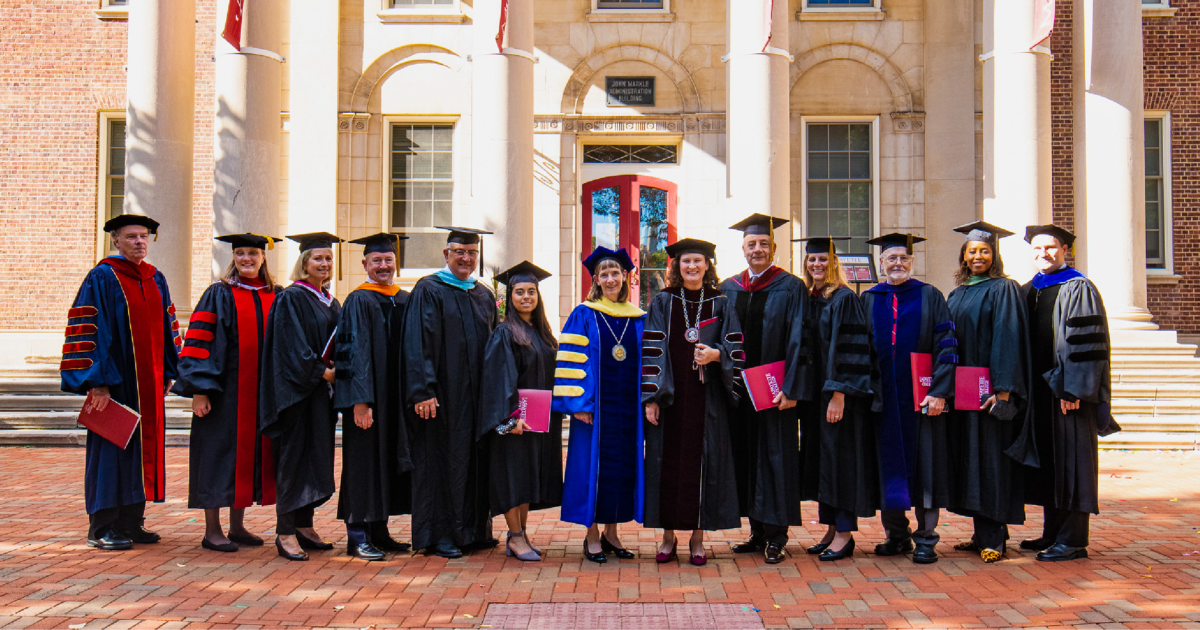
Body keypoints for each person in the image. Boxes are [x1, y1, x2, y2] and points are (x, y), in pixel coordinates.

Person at [61, 214, 181, 550]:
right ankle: (101, 526)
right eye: (131, 237)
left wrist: (170, 370)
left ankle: (131, 522)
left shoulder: (155, 278)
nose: (139, 242)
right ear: (116, 240)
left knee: (142, 450)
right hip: (116, 382)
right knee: (112, 450)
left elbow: (169, 326)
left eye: (144, 236)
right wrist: (97, 382)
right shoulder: (102, 276)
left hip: (149, 383)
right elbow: (89, 329)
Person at [172, 233, 282, 552]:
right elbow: (199, 342)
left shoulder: (275, 295)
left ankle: (237, 526)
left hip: (261, 395)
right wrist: (199, 391)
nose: (247, 259)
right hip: (223, 394)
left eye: (253, 253)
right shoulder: (219, 294)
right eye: (240, 253)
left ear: (264, 257)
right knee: (218, 457)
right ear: (232, 257)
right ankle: (212, 530)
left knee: (248, 459)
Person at [642, 238, 743, 566]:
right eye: (686, 262)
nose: (692, 267)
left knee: (704, 464)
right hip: (670, 397)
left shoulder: (722, 302)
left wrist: (718, 355)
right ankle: (668, 536)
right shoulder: (663, 301)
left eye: (698, 261)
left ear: (707, 265)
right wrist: (652, 398)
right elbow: (652, 349)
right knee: (666, 463)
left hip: (707, 398)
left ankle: (697, 538)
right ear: (677, 266)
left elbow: (737, 350)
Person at [720, 214, 813, 564]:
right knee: (746, 457)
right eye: (751, 245)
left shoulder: (791, 286)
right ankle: (757, 532)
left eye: (763, 244)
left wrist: (790, 388)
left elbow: (800, 339)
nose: (757, 250)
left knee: (775, 459)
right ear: (743, 249)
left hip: (775, 392)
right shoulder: (730, 287)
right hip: (741, 393)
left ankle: (777, 536)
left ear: (774, 248)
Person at [944, 221, 1039, 563]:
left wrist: (1003, 391)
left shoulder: (1005, 289)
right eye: (972, 251)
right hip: (963, 392)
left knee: (991, 461)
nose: (978, 256)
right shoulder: (958, 293)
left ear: (994, 255)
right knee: (971, 459)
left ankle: (993, 537)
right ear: (964, 257)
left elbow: (1007, 340)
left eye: (985, 251)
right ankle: (981, 530)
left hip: (989, 392)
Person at [1019, 224, 1114, 562]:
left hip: (1069, 393)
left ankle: (1073, 539)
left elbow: (1087, 345)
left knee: (1073, 464)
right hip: (1040, 393)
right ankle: (1051, 531)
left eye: (1050, 248)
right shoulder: (1030, 289)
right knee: (1049, 463)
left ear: (1064, 250)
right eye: (1036, 249)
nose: (1043, 254)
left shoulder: (1078, 287)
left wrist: (1074, 387)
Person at [860, 233, 956, 565]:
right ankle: (896, 534)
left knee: (925, 469)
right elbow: (861, 351)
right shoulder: (870, 298)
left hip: (922, 400)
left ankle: (926, 538)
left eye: (903, 258)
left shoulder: (930, 295)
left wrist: (940, 391)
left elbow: (947, 346)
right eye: (891, 259)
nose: (897, 263)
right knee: (889, 468)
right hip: (883, 400)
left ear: (911, 262)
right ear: (880, 263)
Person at [403, 226, 499, 559]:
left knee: (474, 460)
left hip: (477, 399)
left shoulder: (484, 294)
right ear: (446, 254)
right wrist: (423, 391)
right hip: (442, 396)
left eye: (471, 253)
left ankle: (472, 530)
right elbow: (417, 343)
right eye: (459, 251)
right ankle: (440, 535)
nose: (465, 258)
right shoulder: (429, 290)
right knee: (441, 462)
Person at [553, 247, 646, 564]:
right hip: (593, 409)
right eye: (604, 274)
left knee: (622, 467)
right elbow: (571, 360)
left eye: (615, 273)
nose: (610, 279)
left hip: (628, 409)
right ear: (596, 279)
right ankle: (591, 535)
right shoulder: (584, 313)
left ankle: (612, 532)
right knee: (592, 467)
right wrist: (579, 403)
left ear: (625, 277)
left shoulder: (638, 319)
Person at [258, 232, 343, 561]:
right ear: (303, 263)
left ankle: (305, 525)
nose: (324, 263)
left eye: (328, 258)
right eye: (317, 258)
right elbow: (289, 345)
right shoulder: (292, 297)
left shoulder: (330, 301)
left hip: (321, 396)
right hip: (296, 395)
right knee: (293, 461)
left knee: (315, 458)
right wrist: (320, 372)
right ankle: (285, 531)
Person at [794, 236, 878, 562]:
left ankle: (844, 535)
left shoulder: (844, 298)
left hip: (836, 397)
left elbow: (850, 350)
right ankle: (830, 529)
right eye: (812, 260)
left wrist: (839, 394)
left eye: (823, 260)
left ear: (833, 264)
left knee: (841, 462)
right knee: (822, 463)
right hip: (814, 397)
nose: (817, 265)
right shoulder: (810, 297)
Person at [333, 233, 415, 561]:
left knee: (386, 463)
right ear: (364, 263)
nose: (383, 266)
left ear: (396, 263)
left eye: (388, 260)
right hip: (367, 401)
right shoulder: (358, 300)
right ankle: (357, 534)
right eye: (377, 261)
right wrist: (360, 400)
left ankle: (379, 531)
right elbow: (354, 354)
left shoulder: (403, 298)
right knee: (363, 464)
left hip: (394, 400)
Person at [479, 261, 563, 562]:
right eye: (519, 292)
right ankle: (515, 537)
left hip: (537, 420)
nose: (526, 297)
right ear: (509, 297)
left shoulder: (540, 332)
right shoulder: (505, 331)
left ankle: (522, 534)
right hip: (515, 422)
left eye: (531, 291)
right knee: (513, 477)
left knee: (527, 477)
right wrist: (510, 417)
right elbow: (498, 378)